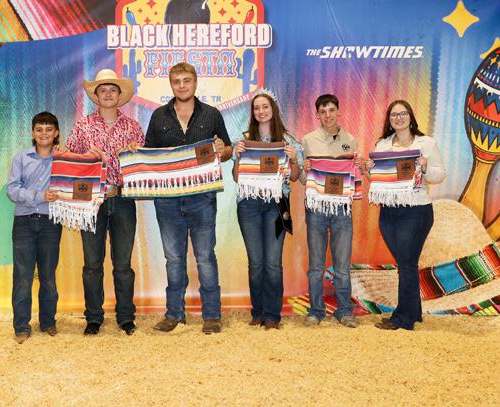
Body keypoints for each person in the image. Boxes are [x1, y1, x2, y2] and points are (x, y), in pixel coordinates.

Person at [142, 62, 232, 334]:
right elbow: (149, 155)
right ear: (171, 84)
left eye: (186, 81)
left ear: (195, 82)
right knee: (173, 259)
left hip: (202, 197)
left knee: (205, 257)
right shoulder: (158, 116)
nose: (182, 86)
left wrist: (222, 150)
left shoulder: (212, 114)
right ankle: (174, 314)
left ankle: (212, 316)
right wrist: (137, 154)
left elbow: (227, 150)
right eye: (177, 81)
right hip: (167, 199)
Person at [65, 69, 144, 336]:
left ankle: (126, 316)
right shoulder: (83, 126)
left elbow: (143, 164)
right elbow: (68, 160)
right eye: (103, 90)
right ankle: (93, 317)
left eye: (112, 89)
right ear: (96, 95)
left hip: (122, 198)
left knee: (123, 264)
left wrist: (135, 153)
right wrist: (85, 156)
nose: (108, 94)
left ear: (119, 95)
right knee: (92, 264)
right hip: (91, 201)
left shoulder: (133, 127)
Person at [366, 100, 446, 330]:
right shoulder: (382, 145)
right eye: (394, 115)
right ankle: (413, 312)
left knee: (406, 264)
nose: (398, 118)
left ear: (410, 117)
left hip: (416, 210)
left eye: (403, 114)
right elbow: (378, 179)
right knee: (406, 263)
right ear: (389, 120)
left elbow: (440, 175)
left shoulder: (426, 143)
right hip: (389, 211)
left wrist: (425, 167)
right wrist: (370, 170)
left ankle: (402, 319)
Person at [231, 93, 301, 330]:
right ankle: (258, 312)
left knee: (272, 262)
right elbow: (237, 177)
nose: (261, 111)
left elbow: (294, 177)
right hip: (248, 204)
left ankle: (272, 315)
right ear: (252, 112)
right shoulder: (244, 140)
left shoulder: (288, 140)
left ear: (273, 109)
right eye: (256, 108)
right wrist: (237, 158)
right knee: (256, 262)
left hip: (277, 205)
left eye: (265, 107)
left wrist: (293, 160)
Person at [301, 94, 360, 328]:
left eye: (331, 110)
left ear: (338, 112)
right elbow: (303, 178)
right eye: (323, 111)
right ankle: (316, 311)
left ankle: (344, 311)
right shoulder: (307, 140)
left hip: (342, 208)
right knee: (316, 265)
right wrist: (305, 169)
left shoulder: (350, 140)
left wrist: (360, 166)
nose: (327, 115)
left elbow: (353, 171)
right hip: (316, 208)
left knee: (342, 265)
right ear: (317, 115)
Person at [6, 111, 63, 344]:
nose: (44, 133)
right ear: (32, 133)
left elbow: (79, 177)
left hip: (51, 222)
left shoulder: (63, 159)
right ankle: (21, 326)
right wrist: (39, 196)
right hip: (24, 223)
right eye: (39, 129)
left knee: (48, 275)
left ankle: (48, 322)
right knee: (23, 276)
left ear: (56, 133)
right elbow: (12, 190)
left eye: (49, 129)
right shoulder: (21, 158)